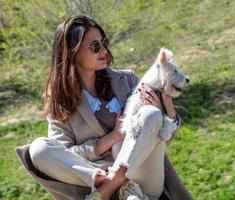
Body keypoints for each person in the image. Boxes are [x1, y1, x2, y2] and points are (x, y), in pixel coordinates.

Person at [16, 15, 193, 200]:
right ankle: (118, 186)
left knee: (150, 113)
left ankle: (115, 183)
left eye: (104, 43)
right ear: (72, 52)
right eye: (95, 46)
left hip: (144, 176)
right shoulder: (60, 101)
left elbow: (163, 137)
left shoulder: (127, 80)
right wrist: (112, 137)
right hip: (97, 176)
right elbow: (66, 154)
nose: (104, 51)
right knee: (38, 148)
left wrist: (166, 113)